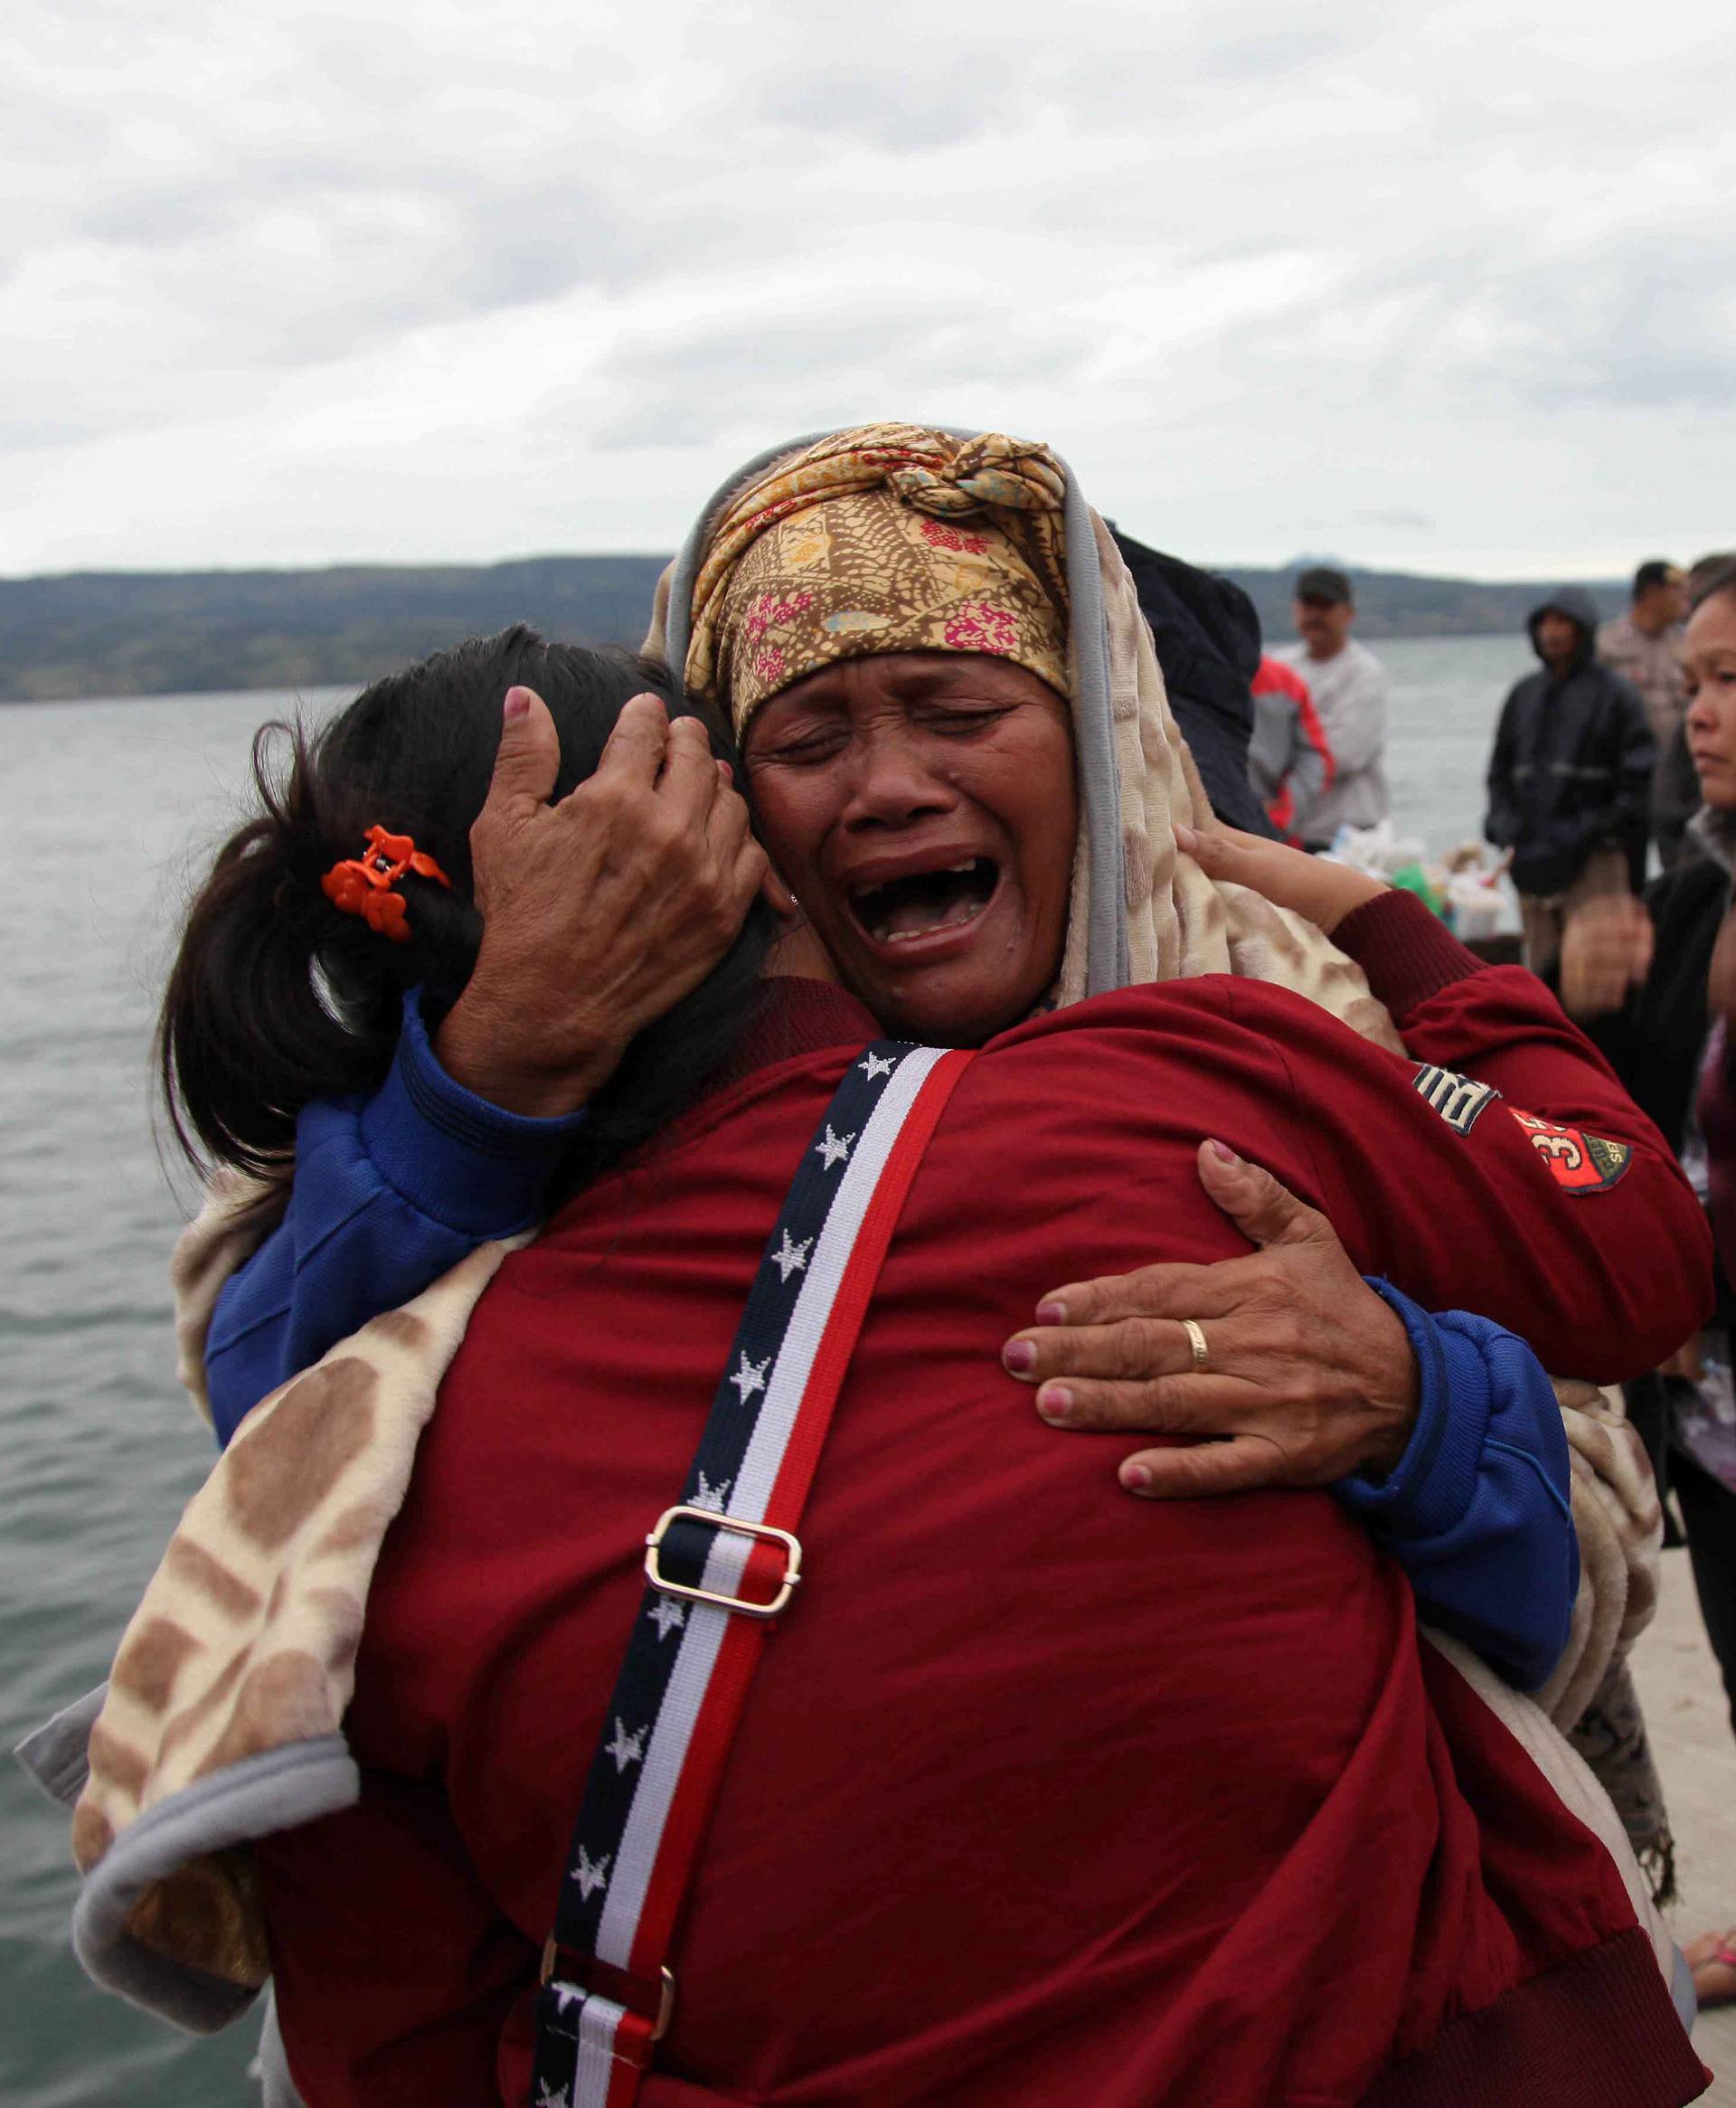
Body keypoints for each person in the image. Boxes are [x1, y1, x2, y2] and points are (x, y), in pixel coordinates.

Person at [67, 610, 1705, 2106]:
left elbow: (394, 2050)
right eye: (809, 738)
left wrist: (1408, 1390)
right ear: (737, 846)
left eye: (958, 708)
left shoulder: (357, 1482)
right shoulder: (1203, 1079)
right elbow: (1633, 1238)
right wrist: (1401, 947)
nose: (893, 789)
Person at [1561, 555, 1736, 2006]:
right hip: (1710, 1407)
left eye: (1735, 684)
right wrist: (1583, 1021)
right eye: (1697, 684)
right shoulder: (1694, 889)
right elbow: (1646, 1141)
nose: (1701, 715)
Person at [1485, 587, 1655, 978]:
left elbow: (1638, 780)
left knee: (1599, 978)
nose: (1552, 632)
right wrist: (1502, 823)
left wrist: (1585, 830)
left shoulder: (1616, 695)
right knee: (1543, 972)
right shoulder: (1524, 694)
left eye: (1563, 622)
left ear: (1584, 630)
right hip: (1531, 861)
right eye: (1545, 622)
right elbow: (1499, 771)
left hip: (1595, 860)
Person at [1275, 564, 1388, 848]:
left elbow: (1343, 754)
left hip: (1350, 836)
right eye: (1308, 604)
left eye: (1325, 606)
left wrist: (1282, 747)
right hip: (1286, 833)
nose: (1315, 614)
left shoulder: (1364, 673)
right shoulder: (1278, 667)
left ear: (1349, 614)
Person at [1599, 561, 1693, 867]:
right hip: (1623, 783)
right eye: (1677, 592)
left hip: (1678, 779)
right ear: (1651, 593)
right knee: (1625, 874)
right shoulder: (1606, 645)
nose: (1685, 601)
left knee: (1681, 869)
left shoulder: (1688, 645)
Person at [1248, 650, 1335, 842]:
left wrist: (1282, 818)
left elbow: (1316, 758)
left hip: (1273, 833)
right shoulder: (1173, 677)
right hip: (1189, 829)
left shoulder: (1284, 682)